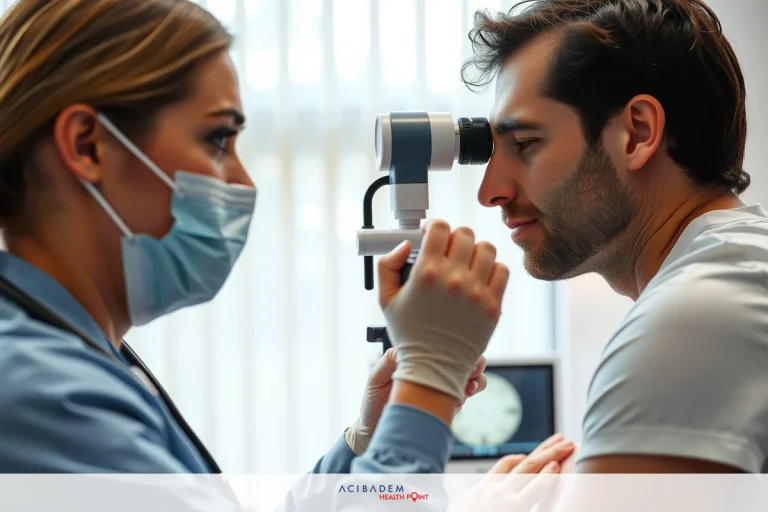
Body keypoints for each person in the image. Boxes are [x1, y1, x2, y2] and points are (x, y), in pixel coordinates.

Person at [0, 0, 575, 481]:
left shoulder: (81, 357)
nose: (245, 183)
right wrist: (429, 380)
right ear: (87, 145)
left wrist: (366, 439)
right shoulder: (41, 395)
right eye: (217, 139)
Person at [458, 0, 767, 474]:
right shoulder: (737, 270)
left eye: (524, 144)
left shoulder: (692, 320)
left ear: (637, 133)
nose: (490, 192)